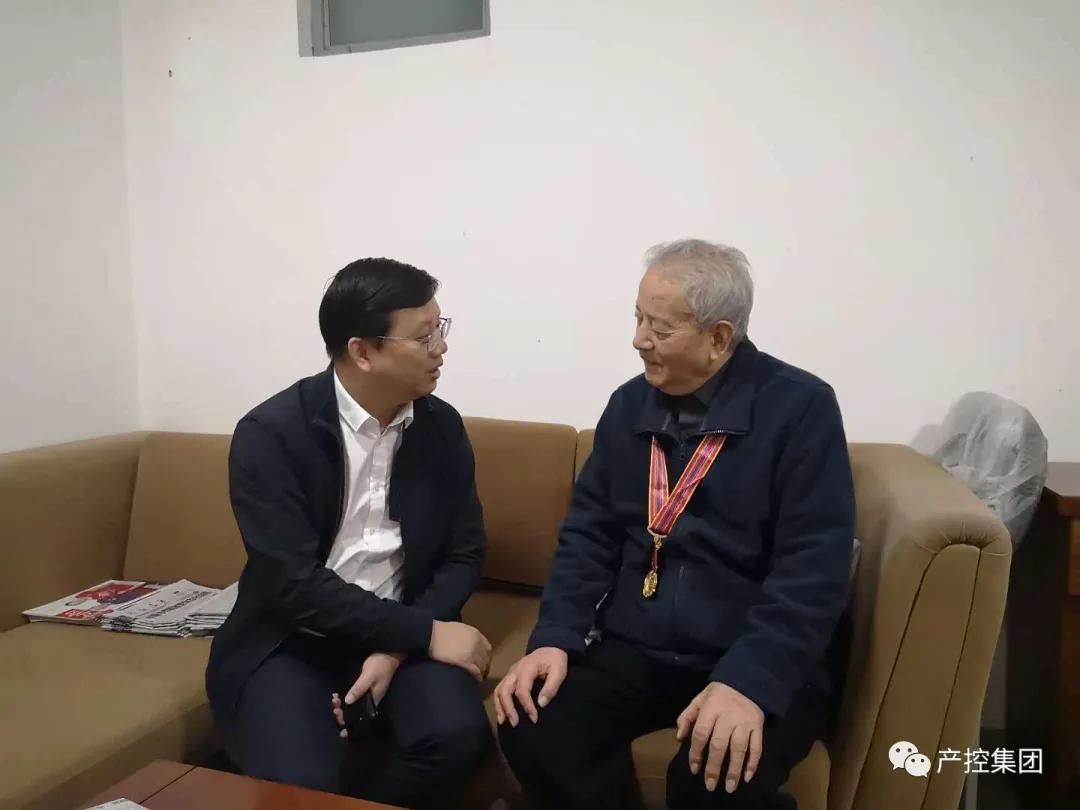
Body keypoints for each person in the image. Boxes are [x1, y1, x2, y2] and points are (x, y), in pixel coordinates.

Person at [495, 239, 855, 810]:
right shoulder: (628, 406)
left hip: (751, 649)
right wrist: (556, 637)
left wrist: (748, 682)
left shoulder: (800, 409)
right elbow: (588, 535)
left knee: (714, 776)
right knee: (533, 722)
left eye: (659, 328)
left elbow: (813, 568)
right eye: (638, 318)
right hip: (639, 646)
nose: (639, 339)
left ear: (719, 338)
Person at [206, 257, 492, 808]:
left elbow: (465, 552)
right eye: (424, 336)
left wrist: (399, 646)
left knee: (457, 738)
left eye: (440, 328)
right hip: (294, 638)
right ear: (363, 352)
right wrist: (423, 634)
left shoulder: (440, 427)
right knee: (296, 781)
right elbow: (292, 585)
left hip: (404, 625)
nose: (441, 348)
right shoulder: (271, 435)